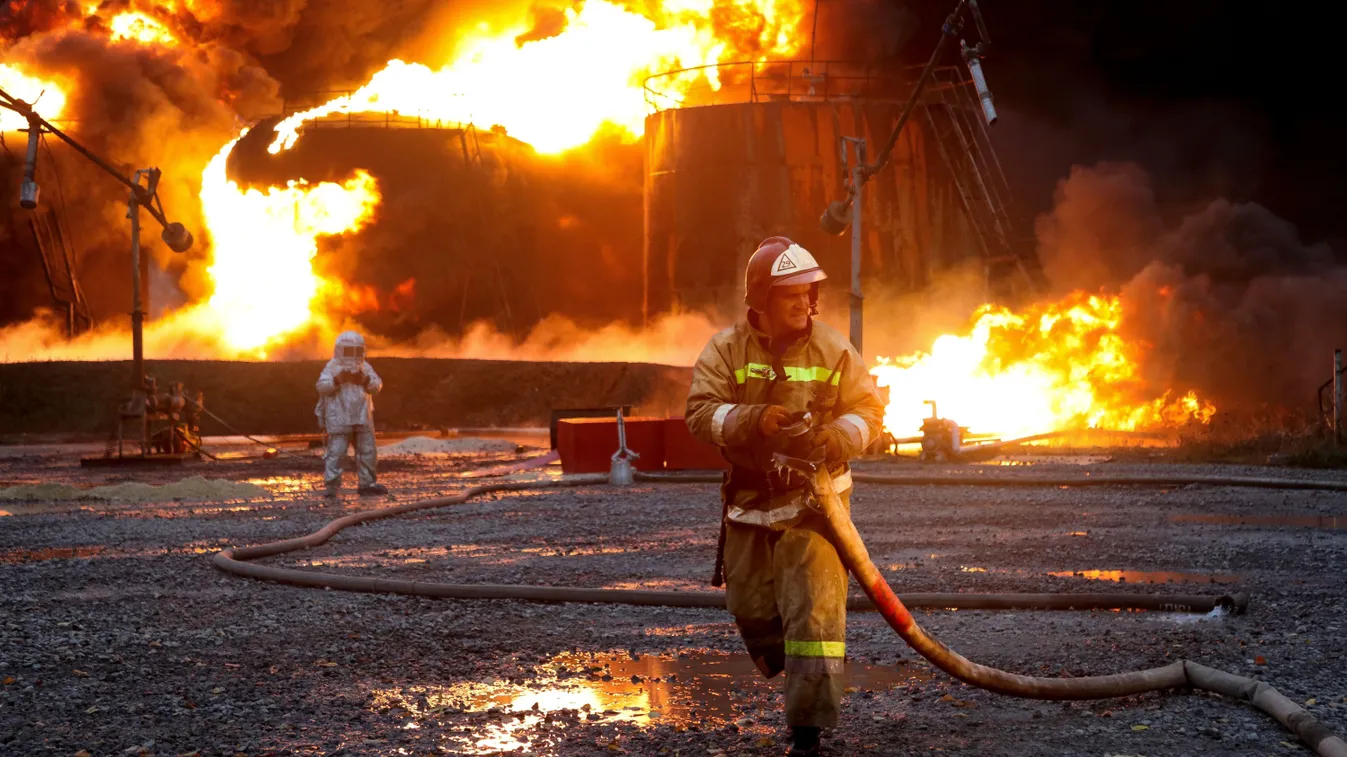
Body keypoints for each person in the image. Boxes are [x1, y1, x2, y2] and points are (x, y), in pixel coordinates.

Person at [685, 237, 885, 756]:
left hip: (815, 504)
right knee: (751, 608)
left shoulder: (833, 349)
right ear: (762, 299)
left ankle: (807, 731)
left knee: (813, 616)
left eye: (808, 293)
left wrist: (836, 437)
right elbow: (700, 413)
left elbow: (869, 413)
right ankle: (785, 667)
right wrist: (753, 419)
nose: (804, 303)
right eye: (791, 294)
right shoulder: (726, 350)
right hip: (750, 503)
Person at [315, 331, 387, 497]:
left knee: (367, 451)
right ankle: (332, 487)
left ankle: (367, 484)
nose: (353, 354)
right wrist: (337, 380)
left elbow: (377, 386)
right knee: (337, 453)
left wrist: (365, 381)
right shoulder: (332, 367)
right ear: (340, 350)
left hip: (362, 417)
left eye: (357, 350)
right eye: (348, 350)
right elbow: (321, 387)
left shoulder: (365, 367)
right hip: (339, 418)